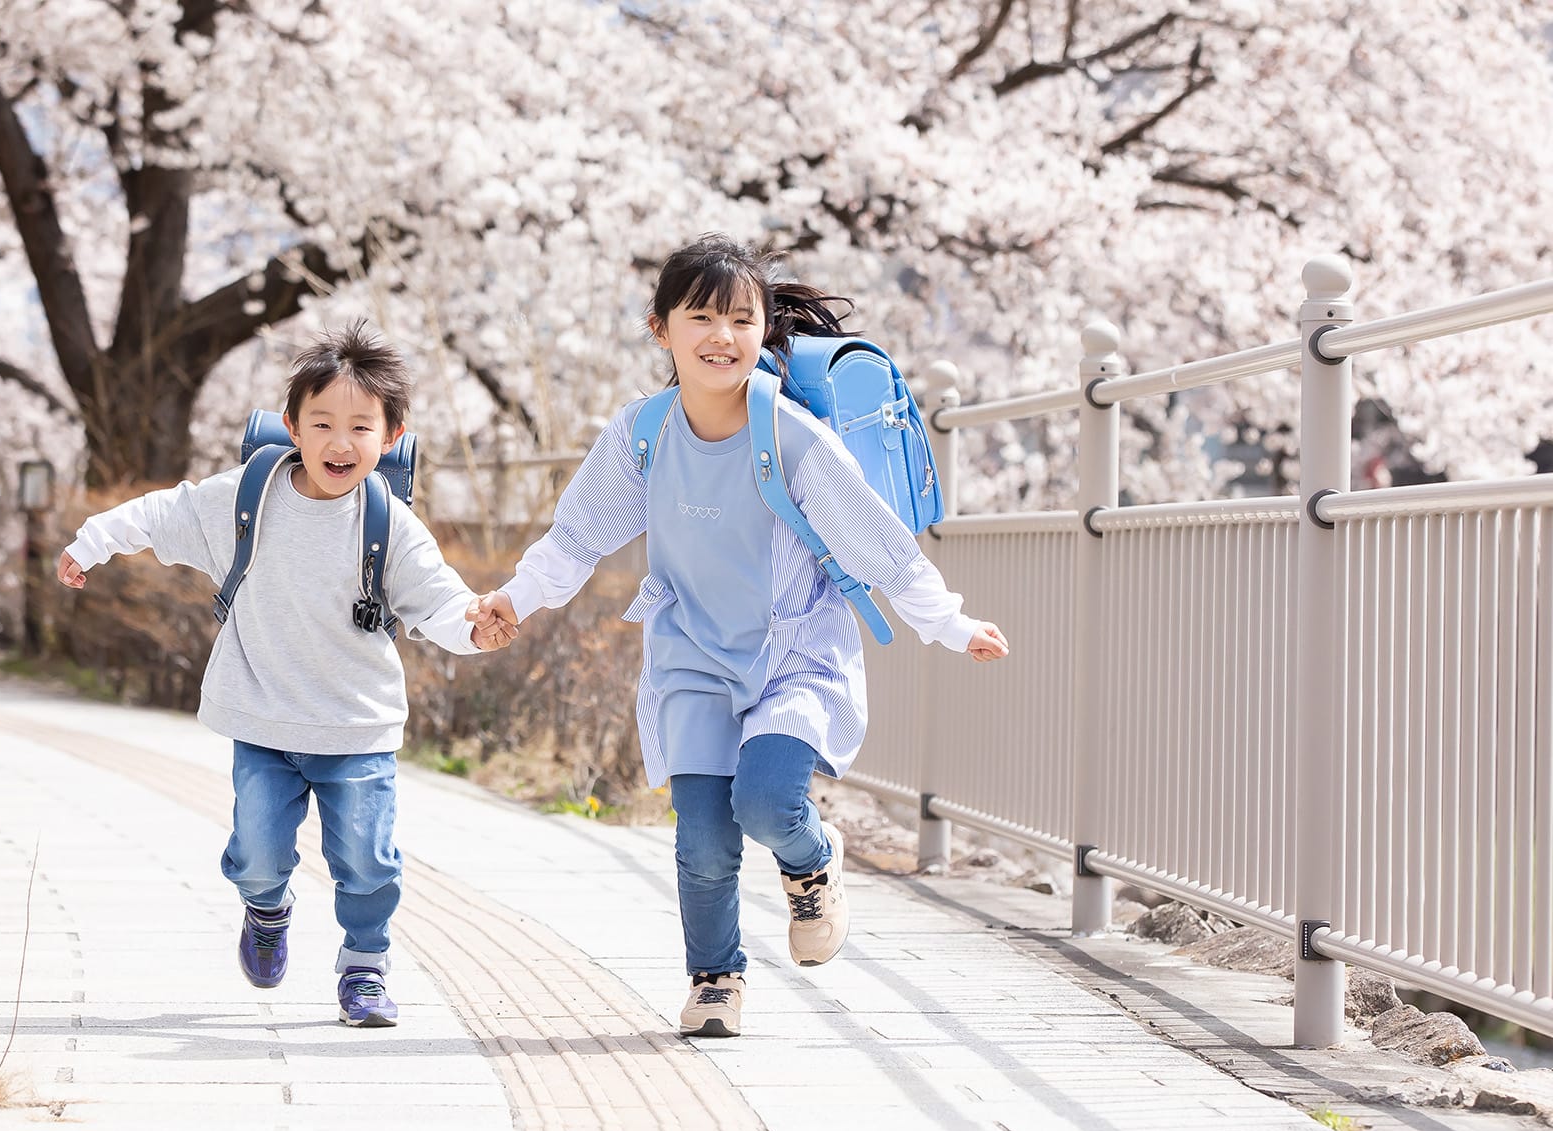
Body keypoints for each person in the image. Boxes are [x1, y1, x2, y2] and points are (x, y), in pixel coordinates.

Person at [468, 235, 1009, 1038]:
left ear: (762, 329)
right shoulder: (642, 435)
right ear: (661, 330)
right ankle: (716, 978)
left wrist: (951, 623)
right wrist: (514, 598)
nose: (722, 336)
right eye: (701, 318)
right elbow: (577, 537)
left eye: (741, 318)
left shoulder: (788, 434)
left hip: (794, 656)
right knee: (703, 843)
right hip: (692, 659)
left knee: (765, 801)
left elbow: (878, 542)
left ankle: (811, 862)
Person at [59, 322, 515, 1027]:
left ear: (390, 437)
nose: (340, 442)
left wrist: (476, 626)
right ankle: (265, 909)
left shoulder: (389, 523)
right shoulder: (247, 497)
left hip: (356, 725)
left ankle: (364, 968)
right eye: (322, 423)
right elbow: (161, 512)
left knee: (367, 859)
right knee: (260, 855)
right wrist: (93, 544)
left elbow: (441, 603)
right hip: (262, 719)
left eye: (360, 427)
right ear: (292, 427)